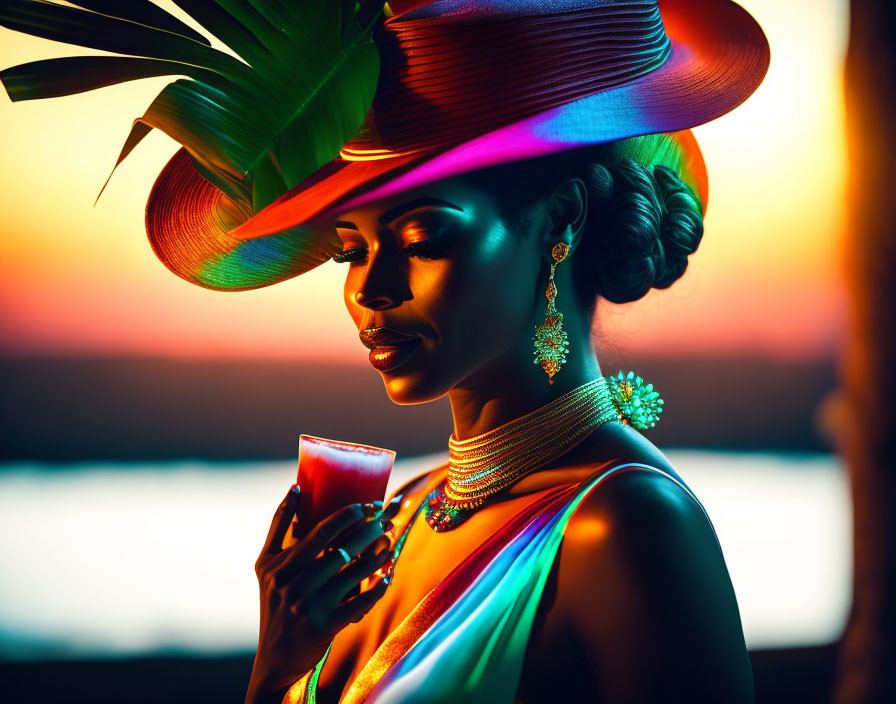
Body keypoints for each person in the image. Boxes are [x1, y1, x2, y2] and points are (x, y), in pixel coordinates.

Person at [0, 1, 770, 702]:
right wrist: (279, 663)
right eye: (348, 251)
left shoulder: (627, 526)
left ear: (559, 221)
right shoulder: (398, 517)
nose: (371, 290)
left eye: (422, 237)